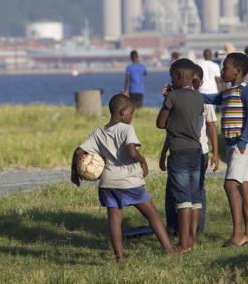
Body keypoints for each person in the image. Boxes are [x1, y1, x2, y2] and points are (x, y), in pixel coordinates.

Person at [71, 94, 174, 261]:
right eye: (130, 113)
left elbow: (78, 152)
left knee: (114, 220)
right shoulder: (126, 129)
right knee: (152, 215)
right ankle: (169, 249)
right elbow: (132, 151)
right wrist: (143, 160)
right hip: (129, 182)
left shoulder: (99, 132)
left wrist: (75, 173)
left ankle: (119, 257)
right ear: (121, 111)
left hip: (108, 184)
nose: (131, 117)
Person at [202, 52, 248, 247]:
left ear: (237, 71)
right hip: (234, 145)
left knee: (230, 185)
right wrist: (190, 92)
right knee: (242, 185)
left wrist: (242, 142)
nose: (221, 71)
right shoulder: (227, 91)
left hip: (242, 144)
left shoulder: (245, 90)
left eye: (225, 68)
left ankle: (237, 235)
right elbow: (210, 98)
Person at [159, 64, 220, 236]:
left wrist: (215, 153)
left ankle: (191, 232)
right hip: (192, 149)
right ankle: (181, 231)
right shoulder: (188, 98)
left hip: (195, 150)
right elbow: (171, 128)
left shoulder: (200, 100)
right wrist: (164, 152)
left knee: (190, 193)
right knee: (185, 192)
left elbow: (212, 127)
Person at [156, 58, 204, 252]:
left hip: (179, 151)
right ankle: (191, 238)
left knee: (182, 198)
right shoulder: (199, 98)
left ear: (178, 76)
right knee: (194, 197)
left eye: (171, 77)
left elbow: (160, 123)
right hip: (196, 151)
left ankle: (183, 244)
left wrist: (168, 98)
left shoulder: (172, 97)